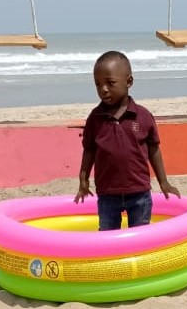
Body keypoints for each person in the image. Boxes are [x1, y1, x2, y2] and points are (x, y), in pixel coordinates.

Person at [74, 50, 180, 230]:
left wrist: (163, 182)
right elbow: (89, 150)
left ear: (128, 82)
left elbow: (154, 149)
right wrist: (83, 180)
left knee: (140, 236)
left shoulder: (143, 116)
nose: (103, 89)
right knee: (108, 237)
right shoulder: (95, 118)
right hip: (107, 194)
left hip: (139, 192)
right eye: (98, 84)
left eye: (110, 83)